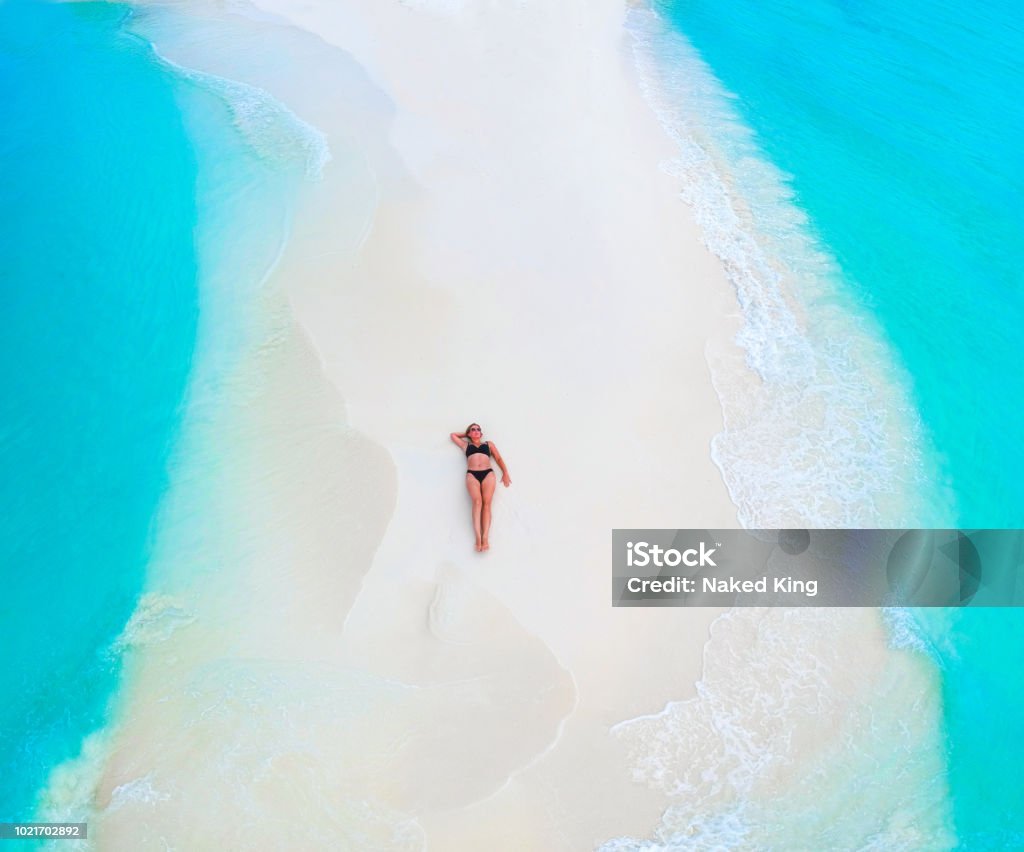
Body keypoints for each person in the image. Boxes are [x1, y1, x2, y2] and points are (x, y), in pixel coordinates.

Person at [449, 423, 511, 552]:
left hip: (488, 473)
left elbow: (498, 458)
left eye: (478, 429)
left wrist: (505, 472)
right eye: (473, 429)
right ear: (469, 433)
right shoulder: (466, 445)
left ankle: (485, 538)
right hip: (472, 475)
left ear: (481, 434)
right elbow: (453, 435)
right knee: (477, 502)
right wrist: (467, 434)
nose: (476, 431)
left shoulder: (488, 444)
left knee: (487, 504)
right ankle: (478, 538)